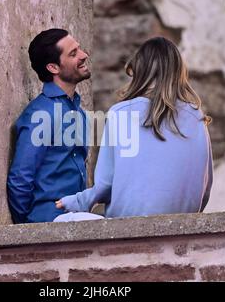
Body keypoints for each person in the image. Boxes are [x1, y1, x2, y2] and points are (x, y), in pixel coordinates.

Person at [55, 36, 213, 222]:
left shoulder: (120, 113)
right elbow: (205, 188)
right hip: (182, 225)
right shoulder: (197, 117)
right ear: (179, 73)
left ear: (140, 72)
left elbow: (105, 184)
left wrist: (77, 201)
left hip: (127, 226)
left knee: (60, 222)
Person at [7, 28, 97, 223]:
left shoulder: (79, 114)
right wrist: (28, 230)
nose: (84, 55)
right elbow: (20, 179)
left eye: (79, 49)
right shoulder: (41, 113)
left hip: (74, 217)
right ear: (53, 68)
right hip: (49, 220)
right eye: (73, 53)